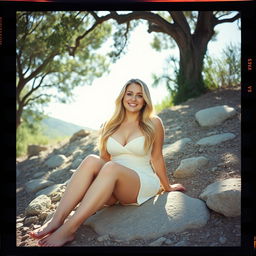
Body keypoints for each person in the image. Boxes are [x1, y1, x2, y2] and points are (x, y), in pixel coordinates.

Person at [29, 78, 186, 247]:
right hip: (112, 184)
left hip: (140, 182)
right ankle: (57, 220)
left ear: (145, 99)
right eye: (130, 94)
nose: (133, 99)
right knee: (91, 159)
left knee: (111, 167)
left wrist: (167, 186)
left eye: (139, 95)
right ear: (123, 97)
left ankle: (68, 229)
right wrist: (89, 187)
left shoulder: (153, 122)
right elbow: (103, 159)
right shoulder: (109, 124)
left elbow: (156, 157)